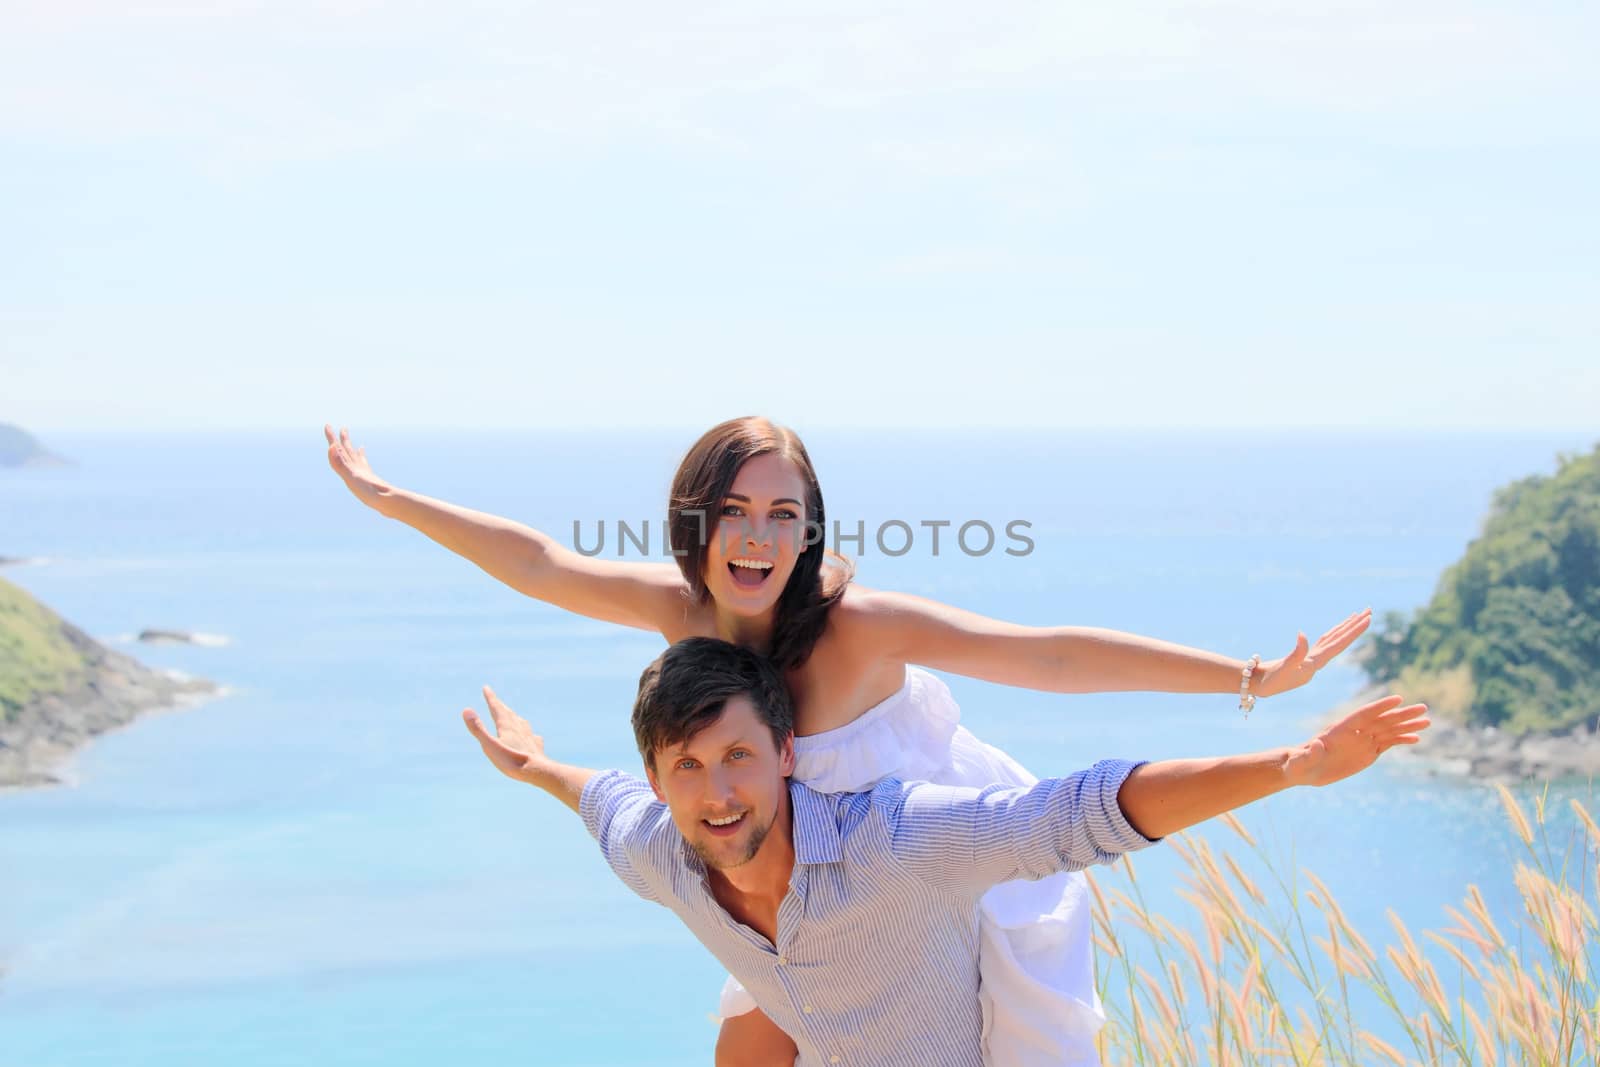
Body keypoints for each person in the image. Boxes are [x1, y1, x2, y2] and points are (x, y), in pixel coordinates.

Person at [325, 418, 1373, 1065]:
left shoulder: (854, 625)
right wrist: (387, 498)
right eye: (734, 510)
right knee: (748, 1038)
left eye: (784, 513)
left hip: (949, 862)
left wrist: (1244, 678)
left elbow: (1046, 654)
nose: (758, 535)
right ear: (698, 520)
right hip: (798, 888)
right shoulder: (681, 611)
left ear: (808, 528)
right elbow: (542, 563)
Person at [462, 637, 1430, 1067]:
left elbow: (1074, 810)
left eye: (738, 757)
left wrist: (1289, 764)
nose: (716, 792)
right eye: (687, 767)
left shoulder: (894, 837)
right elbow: (597, 794)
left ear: (787, 754)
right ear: (659, 773)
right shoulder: (657, 850)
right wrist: (534, 762)